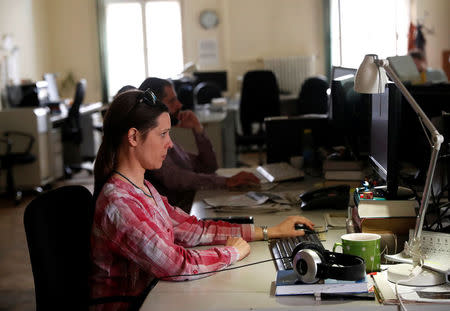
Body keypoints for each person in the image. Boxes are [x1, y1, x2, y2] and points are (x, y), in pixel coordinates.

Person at [90, 89, 315, 311]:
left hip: (155, 297)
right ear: (133, 137)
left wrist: (270, 232)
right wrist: (232, 252)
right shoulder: (118, 204)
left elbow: (193, 229)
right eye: (162, 134)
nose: (169, 143)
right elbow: (177, 265)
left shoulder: (142, 187)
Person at [138, 77, 260, 211]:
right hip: (178, 216)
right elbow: (176, 178)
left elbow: (209, 166)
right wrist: (225, 181)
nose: (179, 105)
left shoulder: (167, 141)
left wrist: (198, 129)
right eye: (172, 101)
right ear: (155, 106)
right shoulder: (149, 144)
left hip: (192, 206)